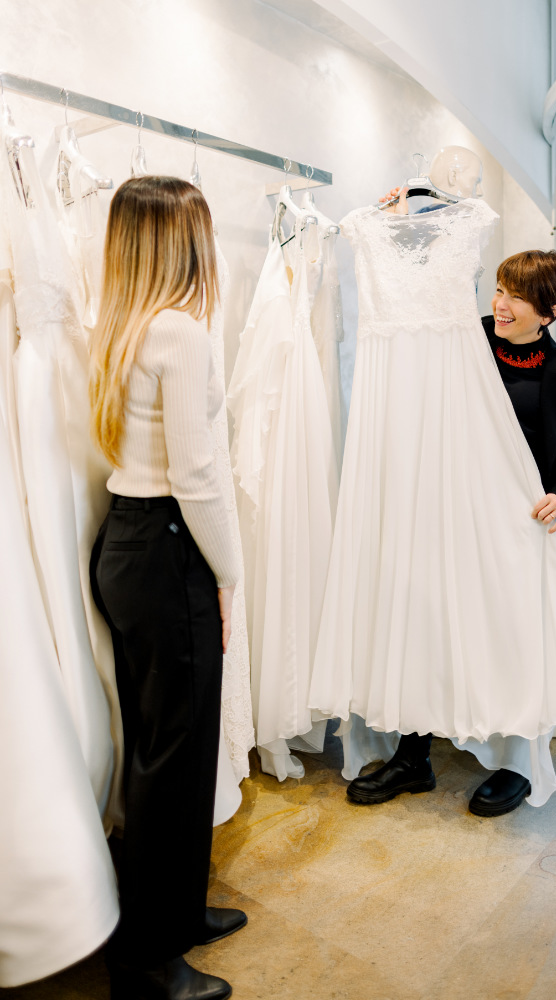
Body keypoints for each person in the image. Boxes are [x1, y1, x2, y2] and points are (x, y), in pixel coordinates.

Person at [344, 186, 556, 817]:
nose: (500, 303)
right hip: (448, 514)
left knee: (515, 640)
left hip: (520, 528)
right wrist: (421, 202)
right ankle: (413, 754)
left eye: (517, 296)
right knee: (429, 621)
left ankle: (517, 764)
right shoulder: (465, 340)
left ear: (551, 310)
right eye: (500, 289)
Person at [89, 176, 245, 1000]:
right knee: (172, 757)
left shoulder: (120, 324)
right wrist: (231, 572)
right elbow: (198, 475)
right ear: (184, 241)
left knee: (161, 747)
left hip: (127, 537)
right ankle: (148, 958)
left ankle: (176, 911)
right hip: (170, 545)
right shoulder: (181, 332)